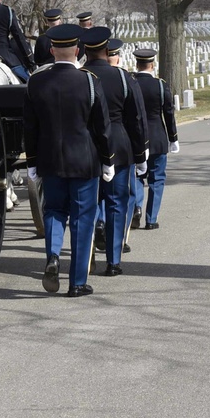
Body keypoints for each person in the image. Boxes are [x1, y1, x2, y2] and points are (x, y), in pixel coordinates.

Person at [24, 23, 113, 297]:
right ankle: (77, 282)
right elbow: (102, 126)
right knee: (82, 218)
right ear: (78, 50)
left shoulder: (36, 82)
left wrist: (32, 162)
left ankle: (52, 255)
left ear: (51, 51)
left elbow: (30, 126)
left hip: (51, 160)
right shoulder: (89, 81)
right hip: (84, 160)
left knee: (54, 211)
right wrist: (108, 159)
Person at [81, 29, 148, 277]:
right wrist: (141, 154)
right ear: (108, 50)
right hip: (119, 146)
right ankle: (113, 260)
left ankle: (86, 259)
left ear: (84, 51)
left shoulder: (80, 76)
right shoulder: (122, 77)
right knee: (116, 203)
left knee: (86, 205)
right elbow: (137, 118)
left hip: (86, 146)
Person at [132, 48, 179, 230]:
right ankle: (151, 219)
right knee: (156, 180)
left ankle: (136, 206)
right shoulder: (160, 85)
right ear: (152, 64)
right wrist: (173, 138)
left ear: (137, 64)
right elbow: (168, 113)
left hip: (136, 139)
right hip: (158, 138)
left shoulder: (131, 83)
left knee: (137, 176)